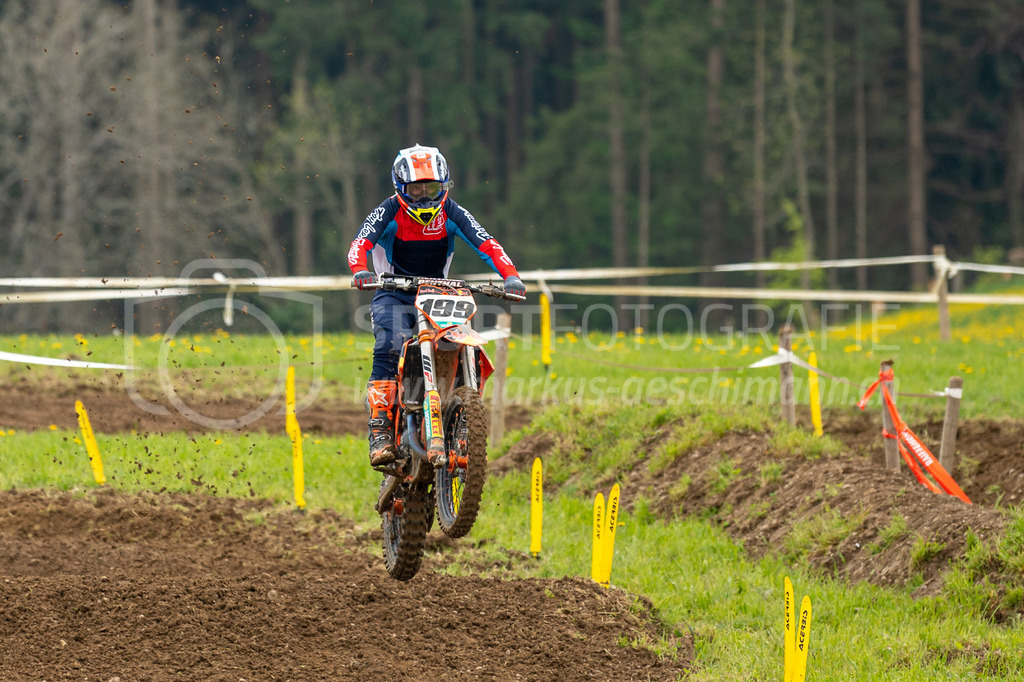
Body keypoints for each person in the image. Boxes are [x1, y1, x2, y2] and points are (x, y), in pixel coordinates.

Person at [348, 143, 525, 466]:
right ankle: (381, 426)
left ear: (444, 186)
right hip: (393, 292)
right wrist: (360, 270)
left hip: (438, 293)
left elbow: (486, 242)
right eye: (417, 189)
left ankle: (461, 414)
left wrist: (510, 276)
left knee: (460, 342)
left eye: (432, 188)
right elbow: (360, 243)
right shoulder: (387, 212)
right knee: (390, 342)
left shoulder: (452, 213)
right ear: (401, 187)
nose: (426, 197)